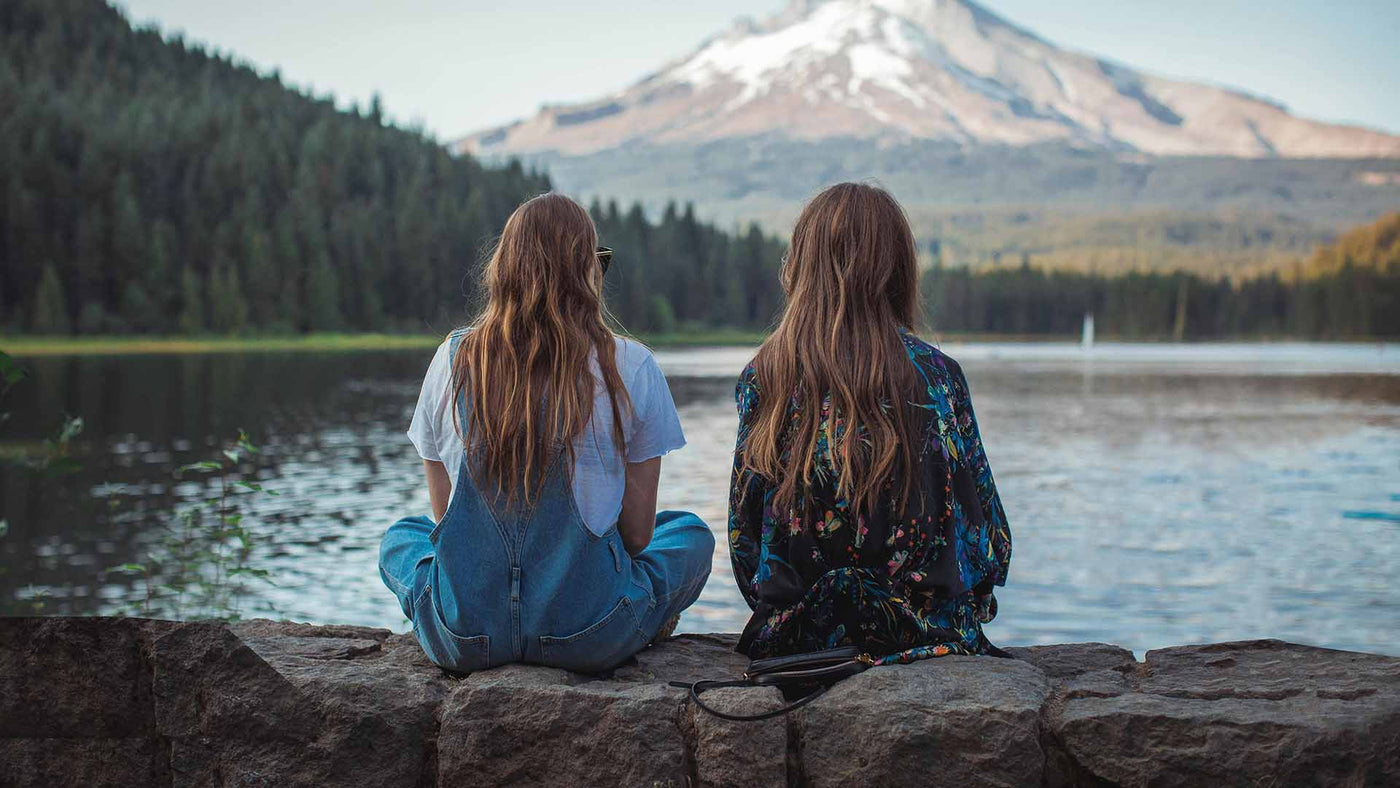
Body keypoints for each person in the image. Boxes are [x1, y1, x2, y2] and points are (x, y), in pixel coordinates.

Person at [379, 192, 713, 673]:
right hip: (589, 635)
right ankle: (641, 612)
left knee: (403, 537)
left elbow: (444, 523)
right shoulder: (631, 365)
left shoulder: (452, 360)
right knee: (688, 533)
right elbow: (638, 537)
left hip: (467, 637)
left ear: (504, 270)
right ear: (587, 272)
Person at [728, 183, 1012, 664]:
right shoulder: (938, 376)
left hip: (799, 637)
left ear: (801, 266)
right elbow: (990, 542)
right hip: (923, 633)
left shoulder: (765, 376)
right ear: (898, 270)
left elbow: (745, 542)